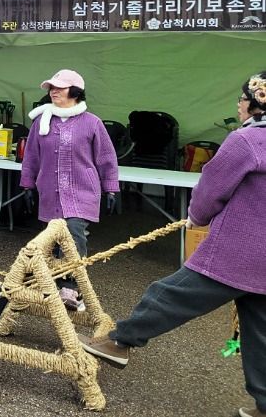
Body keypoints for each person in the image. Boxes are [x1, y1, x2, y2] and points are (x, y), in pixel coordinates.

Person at [80, 73, 266, 417]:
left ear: (256, 103)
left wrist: (198, 215)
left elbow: (212, 185)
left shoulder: (248, 140)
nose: (239, 106)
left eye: (242, 99)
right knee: (261, 334)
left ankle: (120, 341)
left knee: (169, 294)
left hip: (240, 250)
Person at [19, 69, 118, 311]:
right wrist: (27, 184)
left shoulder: (91, 123)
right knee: (50, 239)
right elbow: (31, 155)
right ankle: (51, 284)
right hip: (50, 191)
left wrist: (111, 188)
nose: (53, 91)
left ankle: (72, 288)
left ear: (75, 92)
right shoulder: (42, 122)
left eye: (59, 88)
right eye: (51, 88)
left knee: (74, 234)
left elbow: (107, 157)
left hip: (82, 191)